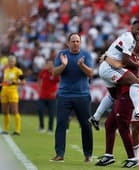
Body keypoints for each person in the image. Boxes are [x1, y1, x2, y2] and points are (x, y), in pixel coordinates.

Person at [89, 20, 139, 128]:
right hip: (110, 68)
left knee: (112, 96)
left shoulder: (129, 38)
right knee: (134, 81)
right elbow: (125, 61)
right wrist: (137, 65)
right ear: (132, 28)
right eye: (138, 29)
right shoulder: (129, 39)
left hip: (105, 67)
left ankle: (95, 117)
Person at [50, 33, 94, 162]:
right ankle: (60, 154)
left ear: (81, 43)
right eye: (73, 41)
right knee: (61, 124)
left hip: (82, 95)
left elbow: (91, 73)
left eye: (78, 41)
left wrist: (81, 65)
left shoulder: (86, 55)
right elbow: (54, 73)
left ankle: (88, 155)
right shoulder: (62, 55)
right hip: (64, 95)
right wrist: (63, 65)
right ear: (68, 43)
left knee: (86, 125)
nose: (76, 43)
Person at [95, 52, 139, 168]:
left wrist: (106, 58)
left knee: (123, 127)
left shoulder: (129, 58)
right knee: (109, 125)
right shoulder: (126, 56)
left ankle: (133, 158)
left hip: (127, 95)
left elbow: (118, 65)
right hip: (121, 95)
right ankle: (108, 155)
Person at [1, 55, 26, 135]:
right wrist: (2, 84)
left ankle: (17, 130)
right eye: (10, 61)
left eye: (12, 61)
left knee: (14, 111)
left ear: (15, 62)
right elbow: (5, 81)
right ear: (8, 62)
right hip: (4, 92)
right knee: (5, 111)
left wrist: (13, 83)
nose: (11, 63)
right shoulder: (5, 70)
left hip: (13, 92)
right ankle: (5, 129)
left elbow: (23, 82)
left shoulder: (18, 71)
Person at [37, 59, 60, 133]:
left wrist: (56, 92)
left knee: (51, 113)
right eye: (48, 64)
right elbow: (39, 79)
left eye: (50, 64)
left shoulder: (55, 73)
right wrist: (39, 87)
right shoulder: (43, 71)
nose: (49, 65)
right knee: (40, 110)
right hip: (42, 95)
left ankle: (50, 128)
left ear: (53, 65)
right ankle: (41, 127)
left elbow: (60, 83)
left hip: (51, 96)